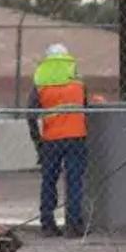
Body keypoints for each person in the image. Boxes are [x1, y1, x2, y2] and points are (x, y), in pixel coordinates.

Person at [27, 43, 89, 238]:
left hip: (51, 139)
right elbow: (85, 108)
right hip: (76, 136)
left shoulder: (40, 82)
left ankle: (47, 223)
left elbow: (30, 115)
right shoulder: (78, 80)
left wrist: (38, 143)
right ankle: (73, 225)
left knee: (49, 181)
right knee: (74, 181)